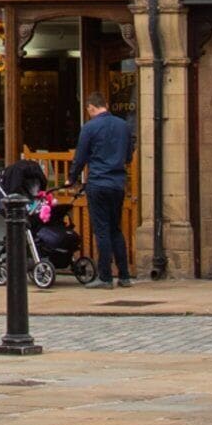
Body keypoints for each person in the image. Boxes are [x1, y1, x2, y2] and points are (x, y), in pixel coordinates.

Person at [76, 92, 136, 288]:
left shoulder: (89, 127)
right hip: (118, 183)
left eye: (88, 110)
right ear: (106, 105)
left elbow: (81, 156)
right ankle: (125, 276)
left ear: (91, 108)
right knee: (115, 229)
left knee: (102, 231)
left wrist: (72, 177)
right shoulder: (123, 126)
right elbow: (128, 155)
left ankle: (105, 277)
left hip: (98, 182)